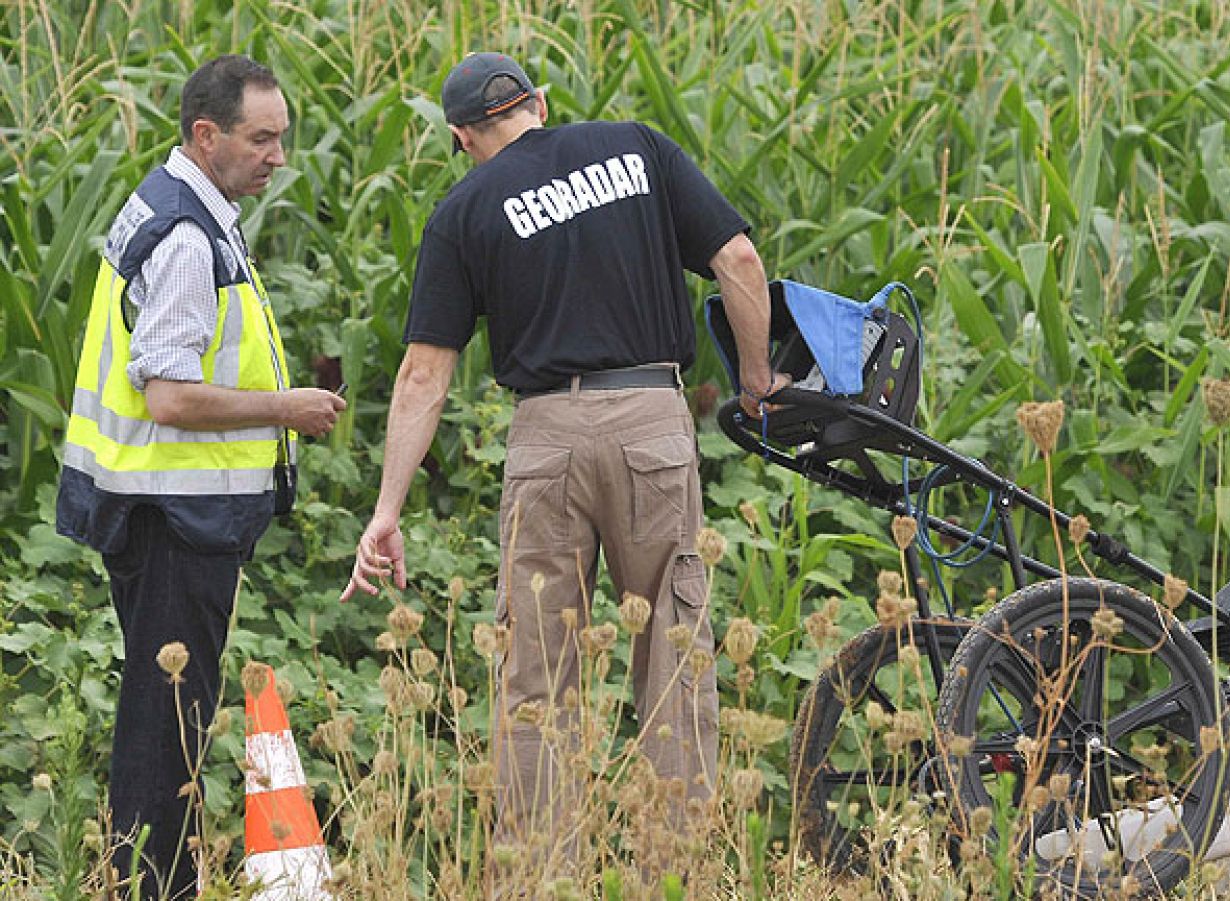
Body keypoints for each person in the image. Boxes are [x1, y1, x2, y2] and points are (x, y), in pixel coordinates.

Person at [340, 52, 786, 875]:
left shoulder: (463, 209)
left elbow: (423, 374)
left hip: (545, 436)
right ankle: (673, 875)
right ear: (539, 104)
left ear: (461, 137)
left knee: (537, 672)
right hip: (652, 419)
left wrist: (387, 511)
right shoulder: (638, 147)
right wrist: (756, 382)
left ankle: (541, 878)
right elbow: (741, 263)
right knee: (674, 648)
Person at [56, 55, 346, 898]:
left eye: (282, 137)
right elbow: (172, 395)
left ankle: (144, 879)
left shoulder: (177, 202)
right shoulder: (187, 236)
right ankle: (153, 886)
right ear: (206, 133)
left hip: (158, 507)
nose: (278, 156)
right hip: (176, 517)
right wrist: (285, 408)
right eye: (261, 139)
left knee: (162, 714)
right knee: (167, 725)